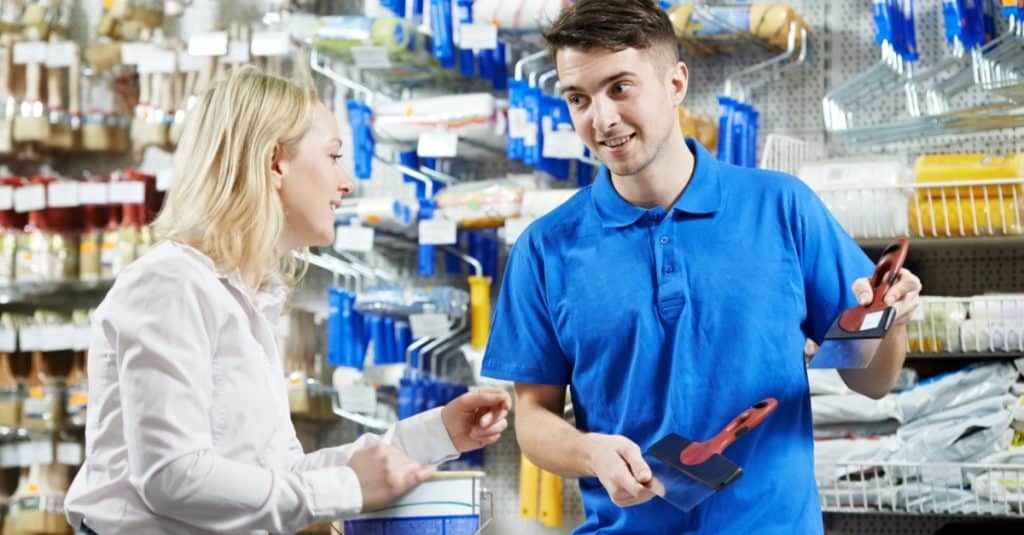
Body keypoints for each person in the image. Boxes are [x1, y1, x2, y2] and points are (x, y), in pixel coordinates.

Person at [481, 1, 921, 533]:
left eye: (620, 88)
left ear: (675, 82)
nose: (602, 119)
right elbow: (532, 420)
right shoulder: (545, 249)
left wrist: (892, 320)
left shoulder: (782, 208)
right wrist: (588, 451)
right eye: (579, 98)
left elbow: (871, 381)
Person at [65, 66, 511, 534]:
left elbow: (277, 478)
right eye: (334, 156)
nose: (347, 183)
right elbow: (172, 477)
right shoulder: (170, 284)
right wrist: (347, 490)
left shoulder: (244, 301)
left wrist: (435, 433)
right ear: (275, 162)